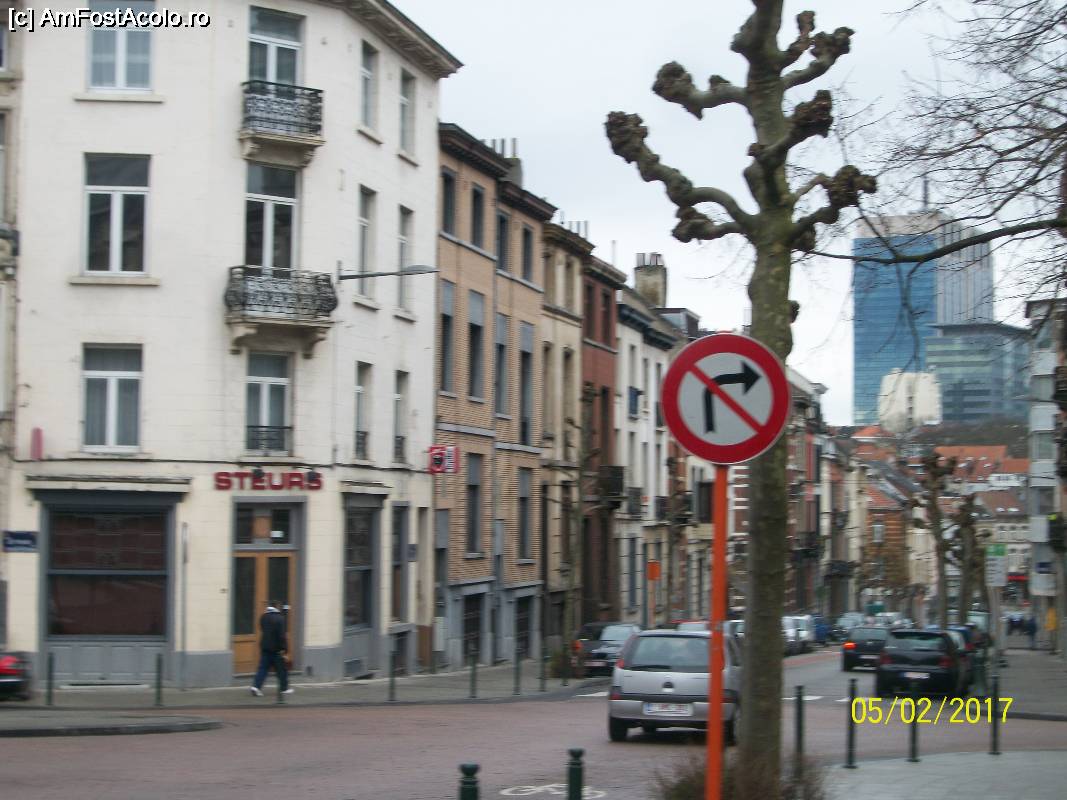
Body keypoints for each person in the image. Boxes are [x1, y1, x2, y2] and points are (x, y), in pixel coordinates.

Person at [250, 601, 293, 696]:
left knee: (263, 668)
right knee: (282, 669)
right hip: (276, 649)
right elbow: (282, 636)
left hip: (265, 647)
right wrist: (285, 649)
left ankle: (256, 687)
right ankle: (284, 688)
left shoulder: (263, 617)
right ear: (277, 607)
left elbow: (262, 629)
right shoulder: (280, 618)